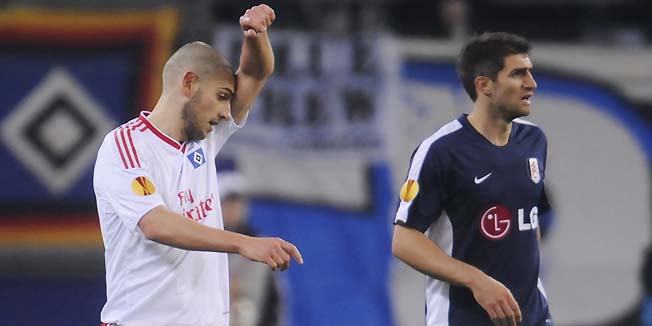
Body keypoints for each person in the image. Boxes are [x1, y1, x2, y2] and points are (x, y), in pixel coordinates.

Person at [93, 4, 303, 326]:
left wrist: (255, 37)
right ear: (189, 84)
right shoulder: (124, 147)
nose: (225, 111)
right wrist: (244, 243)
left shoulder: (205, 139)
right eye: (221, 96)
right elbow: (155, 224)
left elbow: (255, 73)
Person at [392, 32, 553, 326]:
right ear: (484, 85)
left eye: (530, 72)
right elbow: (404, 241)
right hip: (462, 317)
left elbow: (529, 218)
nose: (532, 83)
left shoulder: (534, 140)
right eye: (518, 73)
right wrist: (476, 280)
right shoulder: (442, 150)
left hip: (530, 317)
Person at [218, 171, 282, 326]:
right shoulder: (199, 243)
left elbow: (274, 300)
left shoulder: (261, 245)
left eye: (238, 203)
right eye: (228, 203)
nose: (234, 209)